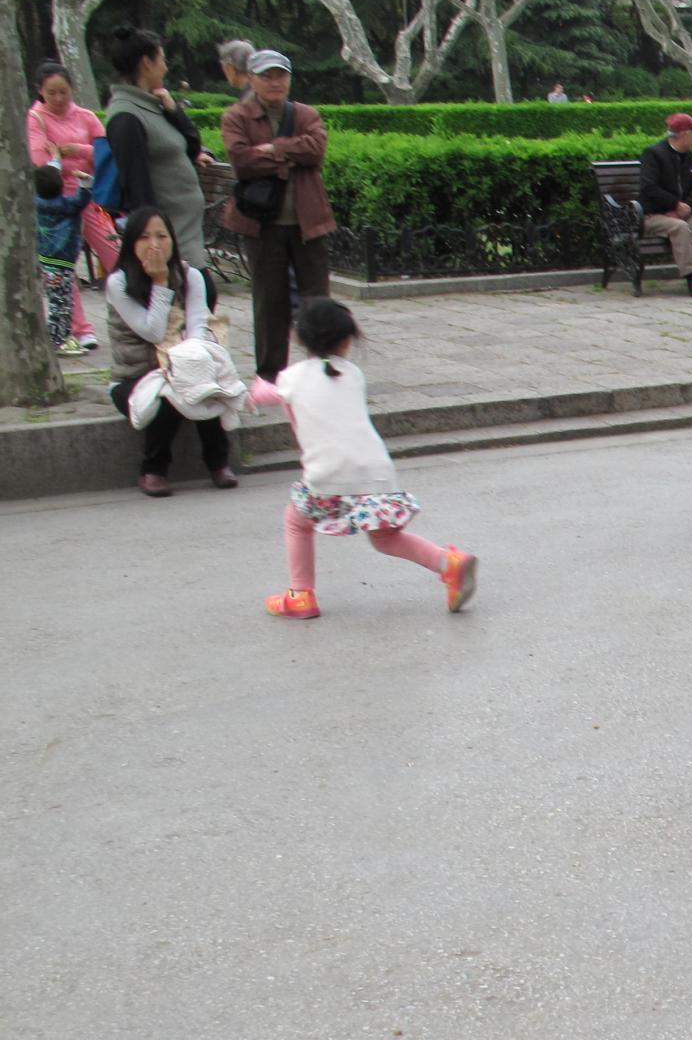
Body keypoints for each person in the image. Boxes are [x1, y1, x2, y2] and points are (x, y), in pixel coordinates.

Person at [252, 299, 478, 621]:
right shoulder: (354, 375)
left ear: (298, 339)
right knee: (385, 537)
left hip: (327, 477)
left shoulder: (292, 377)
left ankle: (300, 594)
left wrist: (252, 389)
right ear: (347, 340)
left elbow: (266, 395)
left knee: (296, 521)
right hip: (376, 473)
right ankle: (447, 563)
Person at [103, 205, 236, 495]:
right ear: (131, 243)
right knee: (168, 397)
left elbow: (199, 327)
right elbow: (150, 330)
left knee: (203, 384)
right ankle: (153, 470)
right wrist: (161, 283)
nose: (154, 245)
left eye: (162, 236)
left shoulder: (190, 276)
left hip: (180, 366)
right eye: (144, 238)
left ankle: (218, 463)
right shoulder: (119, 283)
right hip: (134, 378)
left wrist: (187, 365)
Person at [220, 50, 334, 383]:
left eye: (281, 75)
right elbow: (242, 161)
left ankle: (324, 364)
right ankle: (270, 374)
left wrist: (273, 149)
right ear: (252, 79)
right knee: (270, 301)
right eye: (267, 76)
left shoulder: (304, 113)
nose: (275, 82)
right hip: (262, 223)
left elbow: (316, 150)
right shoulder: (237, 116)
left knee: (317, 297)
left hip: (307, 220)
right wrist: (292, 154)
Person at [102, 26, 211, 265]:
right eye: (162, 59)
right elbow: (137, 187)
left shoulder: (153, 105)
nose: (165, 66)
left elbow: (192, 147)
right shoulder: (126, 116)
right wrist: (155, 247)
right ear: (147, 63)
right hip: (169, 247)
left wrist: (174, 111)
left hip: (188, 237)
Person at [24, 60, 111, 348]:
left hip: (90, 196)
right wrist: (60, 163)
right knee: (62, 268)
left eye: (64, 91)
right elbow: (41, 165)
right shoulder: (36, 119)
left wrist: (75, 150)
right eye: (52, 93)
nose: (59, 99)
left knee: (114, 253)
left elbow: (105, 152)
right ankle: (80, 328)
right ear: (41, 92)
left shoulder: (85, 117)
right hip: (57, 205)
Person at [639, 111, 692, 294]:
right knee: (680, 228)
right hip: (653, 215)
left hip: (681, 215)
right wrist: (675, 204)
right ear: (684, 134)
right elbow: (649, 187)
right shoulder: (653, 154)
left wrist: (687, 207)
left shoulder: (690, 157)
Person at [34, 166, 92, 352]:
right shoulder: (68, 206)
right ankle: (60, 340)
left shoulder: (36, 204)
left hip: (44, 261)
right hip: (64, 263)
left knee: (54, 302)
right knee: (63, 304)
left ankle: (57, 337)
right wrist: (83, 181)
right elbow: (84, 197)